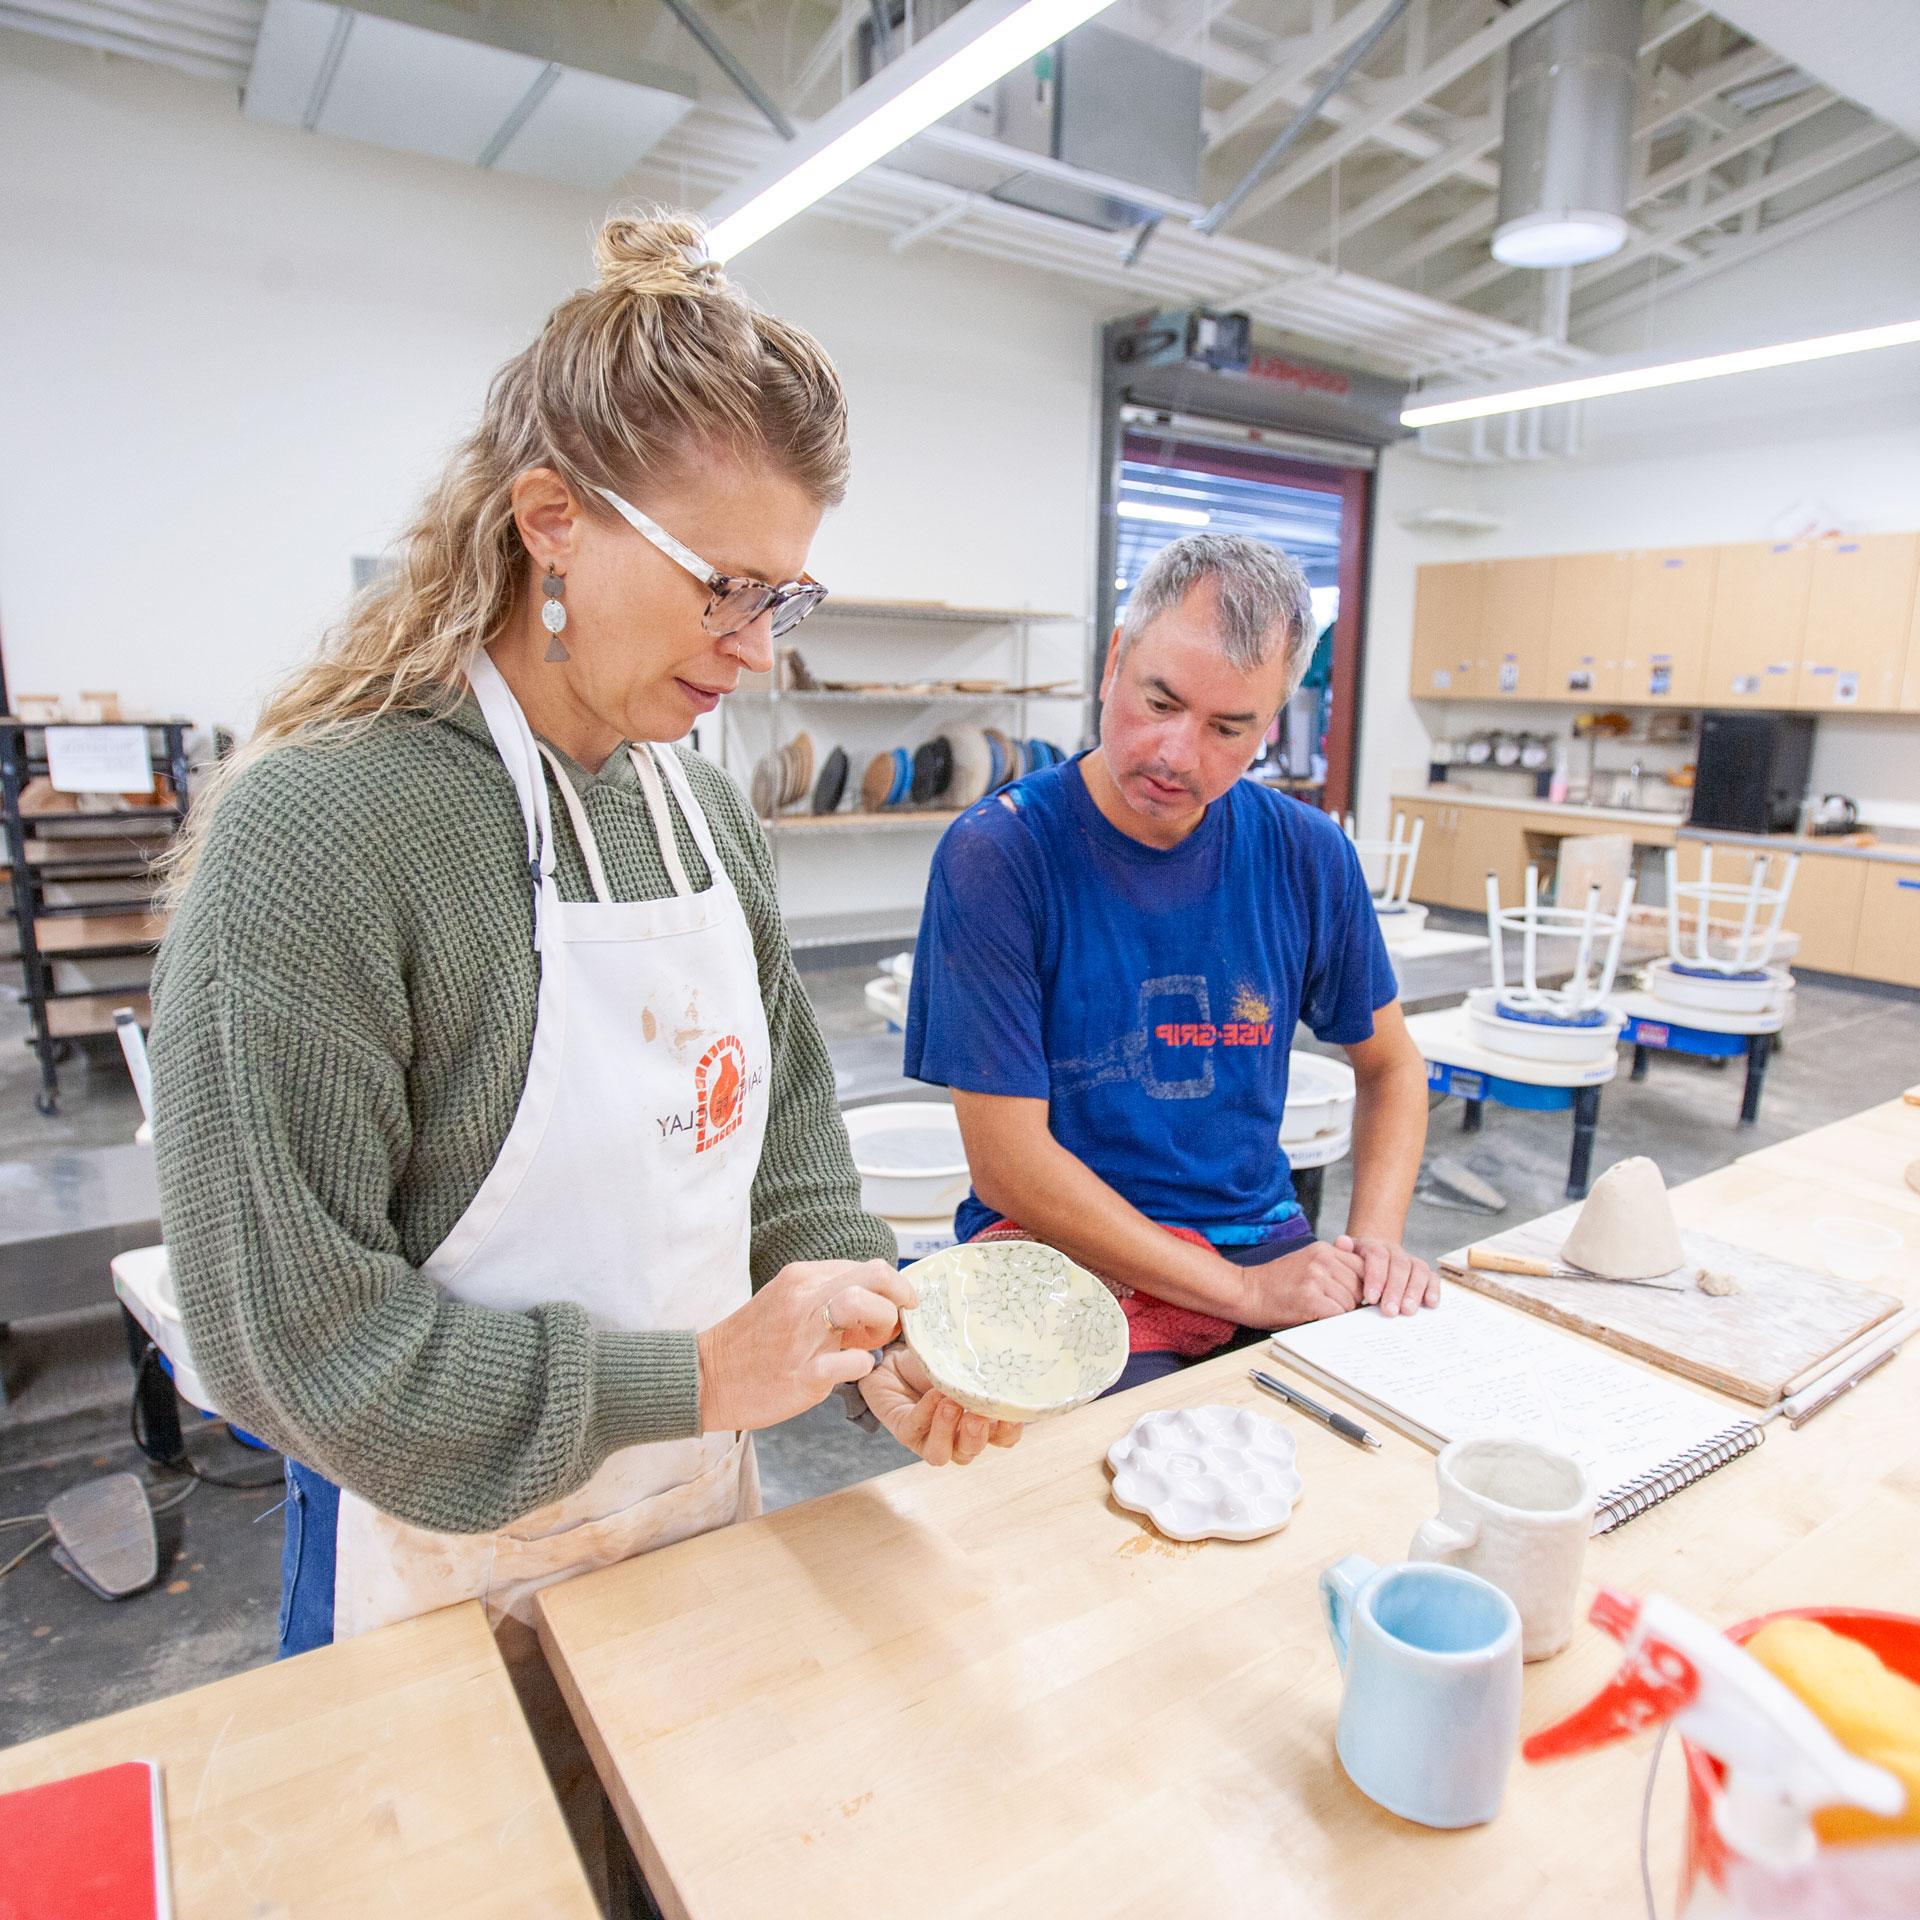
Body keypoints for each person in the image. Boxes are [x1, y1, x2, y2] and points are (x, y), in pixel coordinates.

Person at [150, 210, 1019, 1671]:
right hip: (446, 1561)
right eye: (723, 588)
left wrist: (877, 1328)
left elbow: (783, 1130)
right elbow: (293, 1348)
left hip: (699, 1507)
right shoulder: (325, 838)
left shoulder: (696, 809)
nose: (758, 652)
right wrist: (683, 1376)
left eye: (784, 595)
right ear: (551, 519)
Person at [904, 533, 1438, 1396]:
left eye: (1230, 728)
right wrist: (1243, 1293)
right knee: (1118, 1474)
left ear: (1271, 725)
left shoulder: (1305, 854)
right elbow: (1010, 1164)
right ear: (1116, 659)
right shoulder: (1001, 854)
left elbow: (1392, 1066)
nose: (1177, 754)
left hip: (1253, 1232)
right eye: (1160, 702)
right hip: (1061, 1253)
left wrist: (1374, 1247)